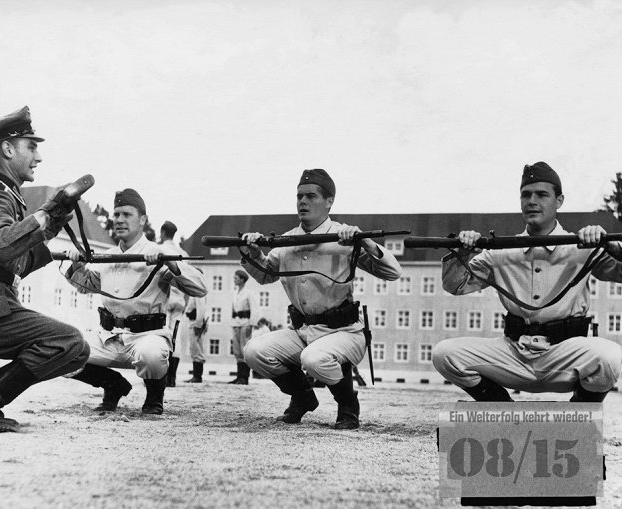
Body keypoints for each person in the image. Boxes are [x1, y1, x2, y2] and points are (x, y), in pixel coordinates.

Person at [433, 162, 622, 402]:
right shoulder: (500, 251)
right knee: (445, 354)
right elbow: (455, 286)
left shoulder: (582, 247)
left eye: (542, 194)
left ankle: (579, 418)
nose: (532, 201)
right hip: (513, 355)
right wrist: (462, 251)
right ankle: (502, 411)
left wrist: (613, 248)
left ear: (559, 201)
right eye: (526, 195)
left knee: (610, 357)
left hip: (564, 356)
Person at [0, 106, 90, 433]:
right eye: (31, 146)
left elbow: (13, 261)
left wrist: (54, 243)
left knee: (75, 354)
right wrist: (46, 215)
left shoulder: (7, 196)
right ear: (7, 149)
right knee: (69, 343)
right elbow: (2, 244)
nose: (39, 156)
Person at [240, 169, 402, 429]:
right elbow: (265, 276)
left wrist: (366, 242)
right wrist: (254, 252)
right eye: (299, 196)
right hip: (303, 330)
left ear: (329, 202)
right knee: (254, 351)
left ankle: (348, 405)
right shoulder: (286, 241)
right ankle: (302, 397)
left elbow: (393, 272)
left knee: (313, 359)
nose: (302, 202)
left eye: (311, 196)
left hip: (345, 332)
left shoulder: (344, 237)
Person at [65, 189, 207, 414]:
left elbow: (199, 288)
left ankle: (154, 397)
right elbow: (86, 286)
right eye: (116, 214)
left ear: (142, 220)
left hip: (145, 337)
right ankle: (113, 386)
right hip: (109, 338)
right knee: (63, 351)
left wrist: (170, 264)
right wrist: (76, 263)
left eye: (126, 215)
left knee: (151, 354)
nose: (119, 220)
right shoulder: (108, 254)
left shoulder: (157, 252)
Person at [159, 220, 189, 387]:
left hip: (164, 298)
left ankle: (162, 376)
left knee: (163, 336)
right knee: (175, 338)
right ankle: (172, 378)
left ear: (163, 233)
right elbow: (188, 280)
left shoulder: (160, 249)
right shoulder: (182, 252)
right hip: (179, 299)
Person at [228, 269, 258, 384]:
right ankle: (239, 376)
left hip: (245, 323)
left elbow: (254, 309)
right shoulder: (235, 292)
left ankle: (244, 377)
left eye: (236, 278)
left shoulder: (249, 293)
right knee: (237, 350)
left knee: (244, 350)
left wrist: (251, 324)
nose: (234, 280)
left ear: (242, 279)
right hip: (236, 323)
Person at [183, 292, 209, 383]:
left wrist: (198, 325)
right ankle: (195, 375)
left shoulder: (198, 292)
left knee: (197, 349)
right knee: (194, 349)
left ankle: (197, 376)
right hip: (192, 322)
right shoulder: (193, 292)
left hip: (196, 323)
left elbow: (201, 309)